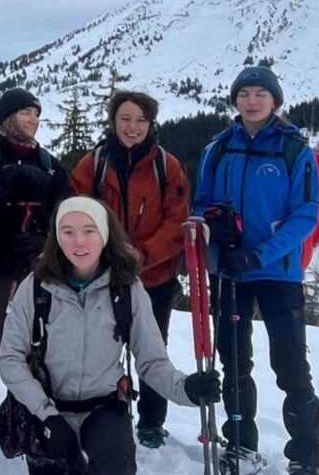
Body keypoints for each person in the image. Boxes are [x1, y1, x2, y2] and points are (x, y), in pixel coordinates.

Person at [0, 196, 220, 475]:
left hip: (104, 407)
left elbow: (151, 361)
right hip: (47, 408)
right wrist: (46, 415)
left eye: (89, 231)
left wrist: (186, 389)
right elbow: (9, 358)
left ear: (103, 234)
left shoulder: (126, 288)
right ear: (56, 236)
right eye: (68, 232)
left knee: (117, 464)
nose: (79, 241)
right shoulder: (36, 287)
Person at [193, 66, 319, 475]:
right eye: (244, 93)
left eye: (260, 94)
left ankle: (306, 455)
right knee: (234, 363)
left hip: (278, 274)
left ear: (274, 101)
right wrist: (213, 226)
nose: (252, 100)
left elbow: (306, 214)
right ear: (235, 99)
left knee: (290, 366)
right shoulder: (217, 149)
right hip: (230, 271)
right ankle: (240, 446)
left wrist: (260, 254)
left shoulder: (294, 150)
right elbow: (200, 203)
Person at [71, 90, 190, 449]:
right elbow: (77, 212)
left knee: (152, 346)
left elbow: (176, 222)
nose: (132, 127)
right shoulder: (93, 165)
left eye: (140, 120)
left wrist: (141, 255)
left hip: (154, 276)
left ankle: (152, 422)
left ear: (151, 124)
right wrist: (102, 255)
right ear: (113, 121)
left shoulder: (166, 167)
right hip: (101, 273)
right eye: (125, 119)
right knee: (96, 345)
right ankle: (100, 411)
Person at [0, 88, 72, 446]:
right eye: (25, 113)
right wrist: (8, 182)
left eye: (36, 114)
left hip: (35, 265)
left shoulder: (50, 164)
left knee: (38, 344)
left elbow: (66, 214)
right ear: (7, 118)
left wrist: (44, 241)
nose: (33, 120)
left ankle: (33, 414)